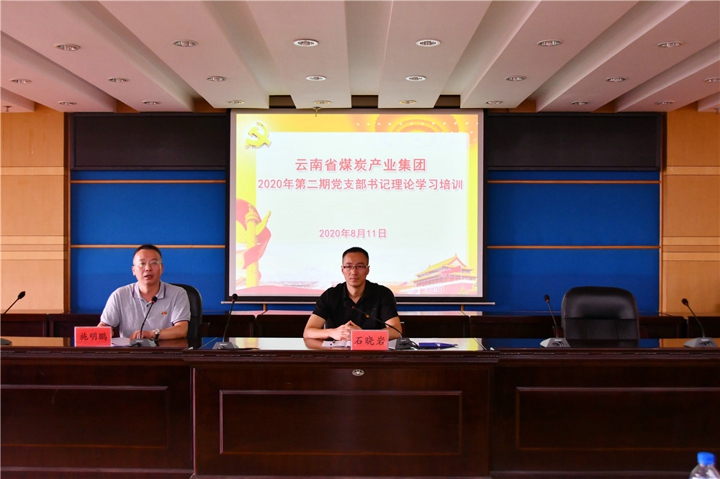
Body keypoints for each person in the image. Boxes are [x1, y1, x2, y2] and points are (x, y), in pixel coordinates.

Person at [303, 246, 402, 341]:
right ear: (342, 270)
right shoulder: (330, 295)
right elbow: (308, 332)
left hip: (372, 350)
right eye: (349, 266)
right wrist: (333, 332)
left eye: (360, 266)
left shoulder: (383, 294)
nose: (354, 272)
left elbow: (396, 331)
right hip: (337, 351)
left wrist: (363, 335)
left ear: (367, 270)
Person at [98, 244, 190, 340]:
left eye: (154, 263)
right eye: (142, 264)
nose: (148, 268)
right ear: (133, 270)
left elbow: (181, 329)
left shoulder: (178, 294)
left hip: (165, 349)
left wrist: (151, 334)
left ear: (162, 268)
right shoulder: (120, 295)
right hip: (129, 349)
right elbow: (103, 325)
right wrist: (105, 331)